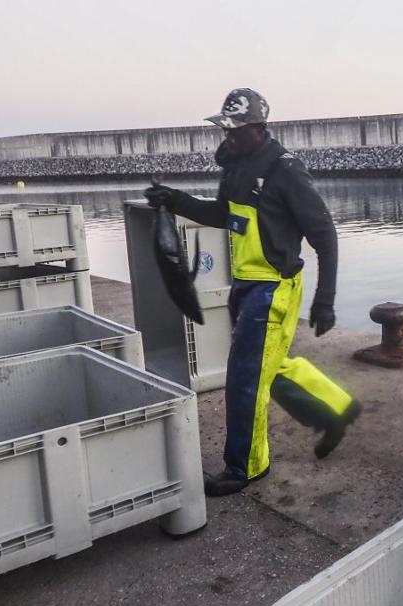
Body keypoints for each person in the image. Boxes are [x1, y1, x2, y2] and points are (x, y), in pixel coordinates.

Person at [145, 88, 360, 496]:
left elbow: (324, 236)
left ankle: (244, 467)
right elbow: (223, 215)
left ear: (259, 129)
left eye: (235, 131)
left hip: (273, 289)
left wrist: (325, 298)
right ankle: (336, 408)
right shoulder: (237, 168)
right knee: (268, 366)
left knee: (245, 379)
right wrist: (175, 201)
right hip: (245, 283)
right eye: (223, 130)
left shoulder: (285, 171)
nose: (227, 137)